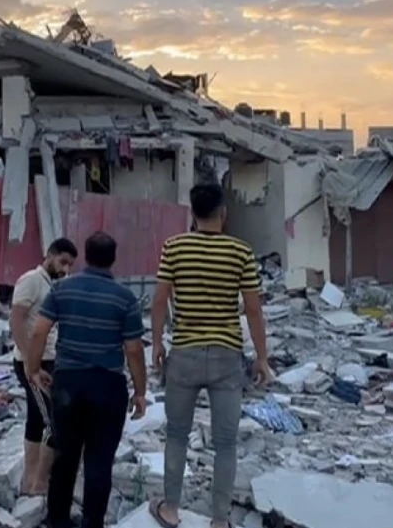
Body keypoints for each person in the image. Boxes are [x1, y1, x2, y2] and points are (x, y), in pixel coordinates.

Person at [149, 183, 273, 528]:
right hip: (226, 356)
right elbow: (253, 310)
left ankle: (171, 509)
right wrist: (261, 357)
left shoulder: (174, 248)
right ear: (223, 213)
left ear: (192, 213)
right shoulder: (241, 252)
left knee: (176, 434)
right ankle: (219, 521)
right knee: (225, 443)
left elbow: (159, 300)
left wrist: (157, 343)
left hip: (185, 353)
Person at [26, 232, 148, 528]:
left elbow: (40, 330)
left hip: (68, 384)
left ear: (86, 256)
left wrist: (33, 368)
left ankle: (57, 519)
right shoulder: (125, 297)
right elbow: (133, 349)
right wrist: (140, 392)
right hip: (107, 387)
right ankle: (92, 523)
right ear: (113, 260)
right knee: (100, 459)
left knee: (65, 456)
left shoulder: (62, 290)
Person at [10, 237, 78, 496]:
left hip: (47, 360)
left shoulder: (52, 284)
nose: (65, 269)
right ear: (49, 255)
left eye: (70, 265)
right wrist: (31, 363)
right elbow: (16, 322)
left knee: (38, 418)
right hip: (32, 361)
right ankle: (36, 482)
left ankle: (33, 481)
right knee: (51, 421)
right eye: (62, 262)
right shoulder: (31, 281)